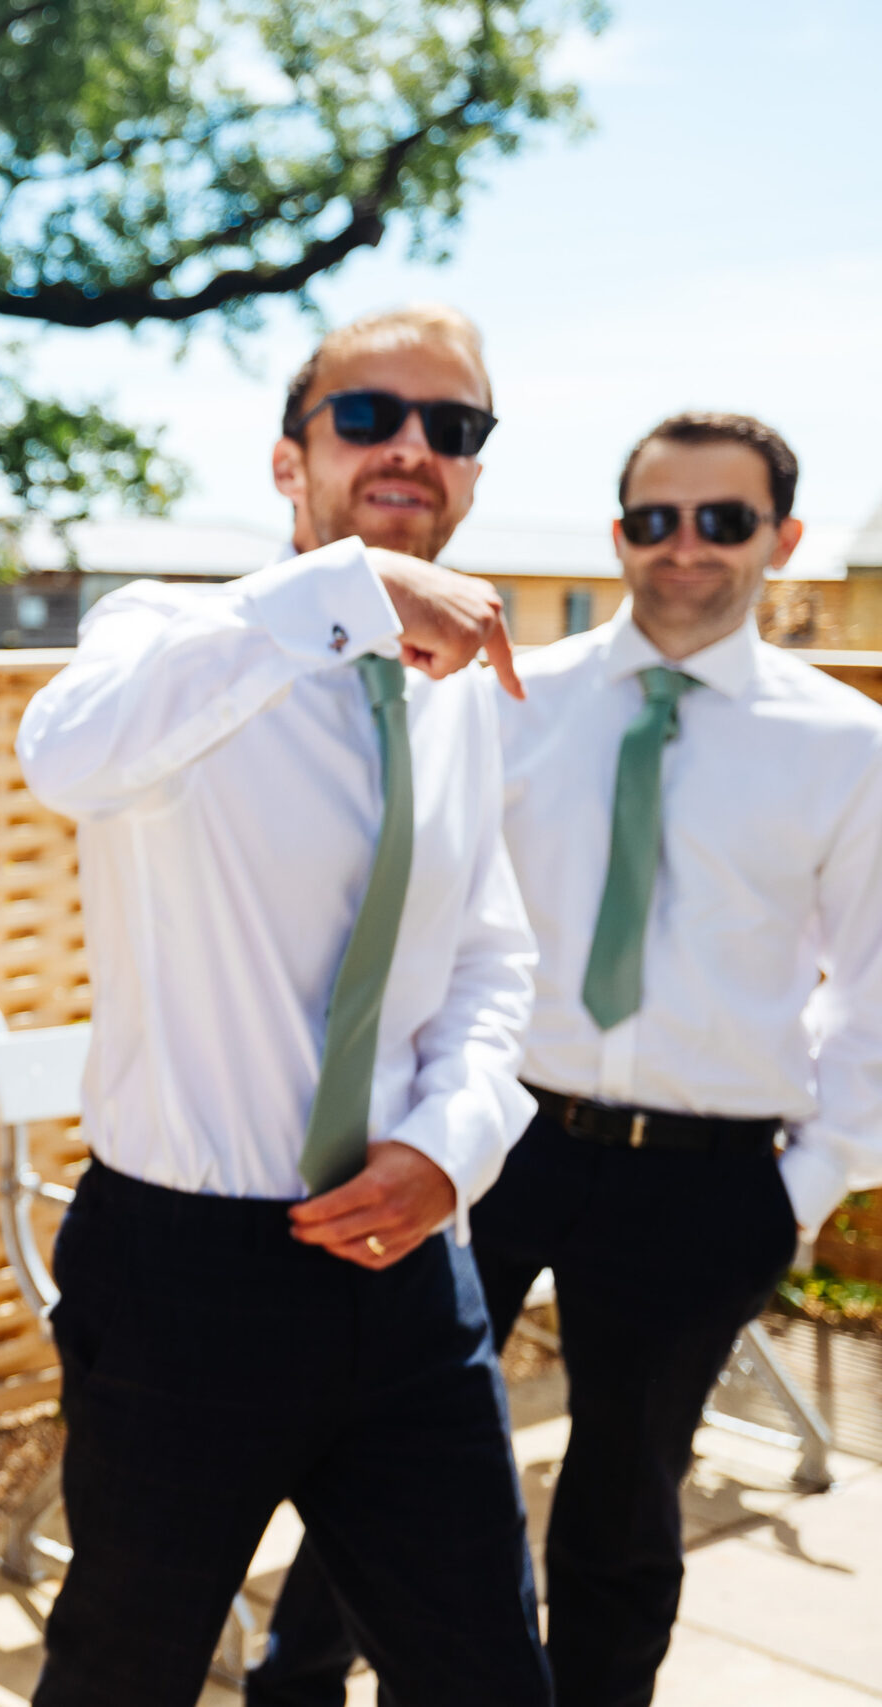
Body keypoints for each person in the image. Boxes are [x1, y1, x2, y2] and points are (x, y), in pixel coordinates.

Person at [250, 413, 882, 1707]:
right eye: (655, 520)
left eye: (724, 520)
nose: (686, 547)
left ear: (785, 539)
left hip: (706, 1183)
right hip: (502, 1145)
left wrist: (802, 1187)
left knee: (624, 1507)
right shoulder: (506, 699)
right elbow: (434, 932)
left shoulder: (848, 748)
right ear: (619, 535)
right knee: (392, 1460)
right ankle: (295, 1688)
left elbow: (876, 992)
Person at [14, 304, 552, 1706]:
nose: (413, 449)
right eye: (368, 417)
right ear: (287, 462)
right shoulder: (174, 636)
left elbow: (491, 958)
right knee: (122, 1673)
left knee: (490, 1670)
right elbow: (66, 756)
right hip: (180, 1281)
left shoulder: (467, 693)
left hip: (411, 1273)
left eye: (455, 427)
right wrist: (345, 595)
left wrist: (453, 1144)